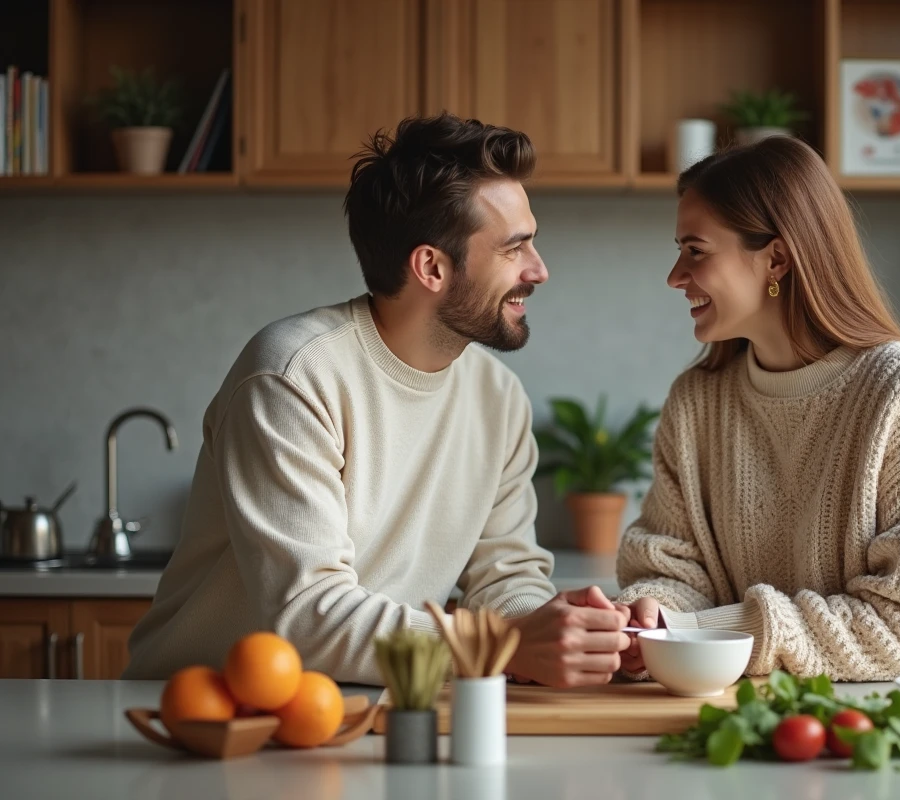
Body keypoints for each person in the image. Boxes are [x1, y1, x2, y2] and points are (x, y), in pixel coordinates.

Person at [124, 113, 630, 687]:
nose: (539, 269)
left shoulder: (498, 399)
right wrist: (506, 645)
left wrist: (561, 632)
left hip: (366, 706)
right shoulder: (294, 376)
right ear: (432, 267)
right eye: (515, 248)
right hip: (201, 720)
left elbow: (505, 576)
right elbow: (308, 616)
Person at [616, 136, 900, 682]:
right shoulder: (697, 402)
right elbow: (670, 565)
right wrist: (659, 614)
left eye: (696, 250)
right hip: (762, 726)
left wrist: (715, 631)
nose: (676, 275)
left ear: (776, 257)